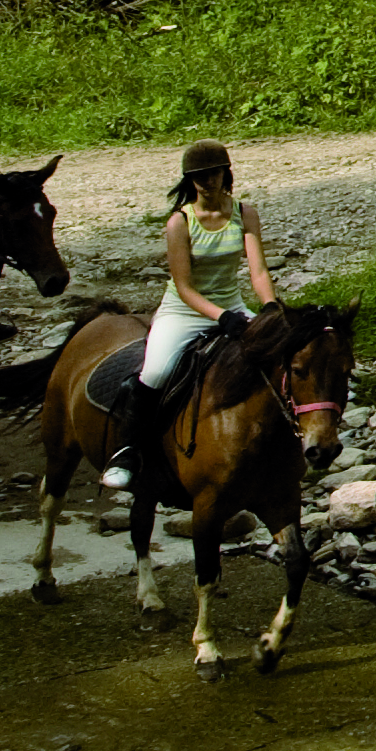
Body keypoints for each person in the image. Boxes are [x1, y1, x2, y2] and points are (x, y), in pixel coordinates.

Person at [109, 141, 280, 492]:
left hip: (230, 305)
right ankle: (127, 452)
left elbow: (258, 269)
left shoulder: (244, 213)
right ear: (190, 180)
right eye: (199, 177)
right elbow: (184, 286)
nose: (207, 182)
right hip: (183, 312)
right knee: (155, 372)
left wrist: (270, 307)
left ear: (225, 173)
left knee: (275, 354)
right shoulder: (179, 222)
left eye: (213, 173)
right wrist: (221, 318)